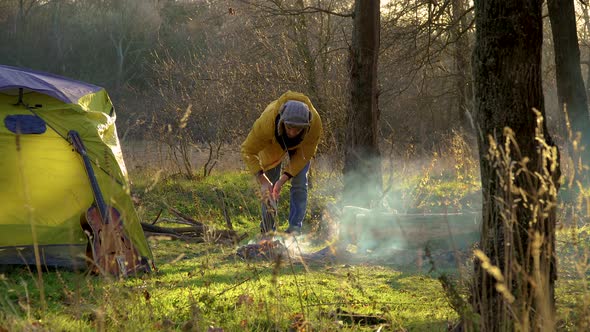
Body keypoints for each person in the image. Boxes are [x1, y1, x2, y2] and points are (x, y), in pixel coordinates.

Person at [241, 91, 323, 234]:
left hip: (301, 149)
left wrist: (284, 179)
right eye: (289, 127)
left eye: (297, 129)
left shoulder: (315, 125)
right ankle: (268, 231)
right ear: (282, 122)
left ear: (306, 126)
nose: (292, 132)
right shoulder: (267, 123)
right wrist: (263, 179)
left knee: (299, 182)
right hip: (273, 144)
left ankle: (295, 229)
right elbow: (247, 150)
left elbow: (304, 156)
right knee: (268, 187)